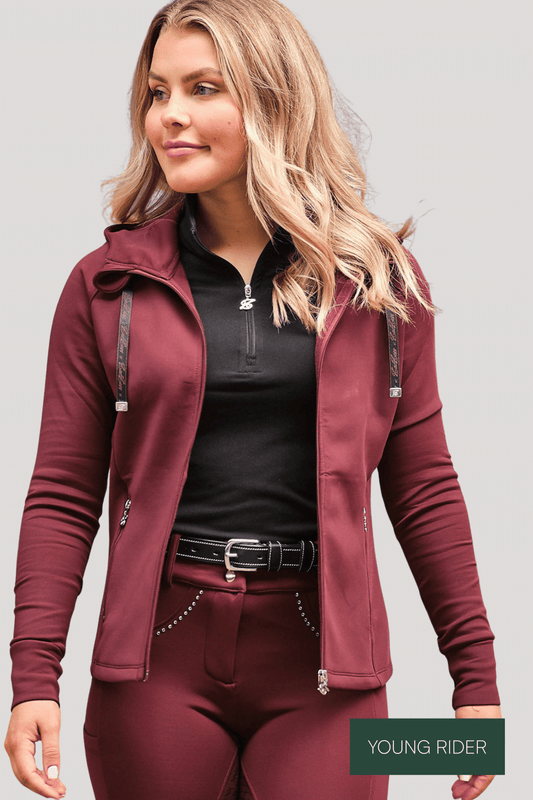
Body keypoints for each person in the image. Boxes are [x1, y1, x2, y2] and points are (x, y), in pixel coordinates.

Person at [4, 1, 502, 798]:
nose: (169, 115)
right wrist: (34, 679)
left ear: (276, 99)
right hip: (150, 669)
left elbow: (424, 488)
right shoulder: (106, 285)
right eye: (157, 92)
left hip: (331, 670)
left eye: (203, 88)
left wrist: (475, 686)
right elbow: (62, 493)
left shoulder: (380, 283)